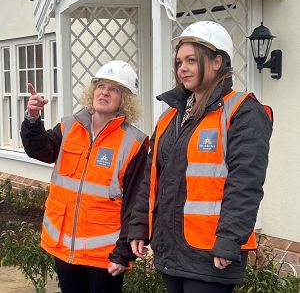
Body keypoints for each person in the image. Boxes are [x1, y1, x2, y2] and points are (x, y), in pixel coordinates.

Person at [128, 21, 273, 293]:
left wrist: (229, 239)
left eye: (192, 60)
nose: (182, 68)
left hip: (212, 254)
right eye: (179, 61)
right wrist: (139, 225)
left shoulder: (242, 112)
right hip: (171, 249)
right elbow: (152, 178)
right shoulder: (171, 116)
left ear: (217, 61)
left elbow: (245, 184)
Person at [20, 60, 149, 293]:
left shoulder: (134, 143)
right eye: (101, 86)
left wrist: (123, 252)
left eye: (114, 89)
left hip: (105, 255)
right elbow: (40, 149)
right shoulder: (69, 127)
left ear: (125, 100)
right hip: (64, 246)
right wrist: (32, 117)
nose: (105, 92)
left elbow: (137, 202)